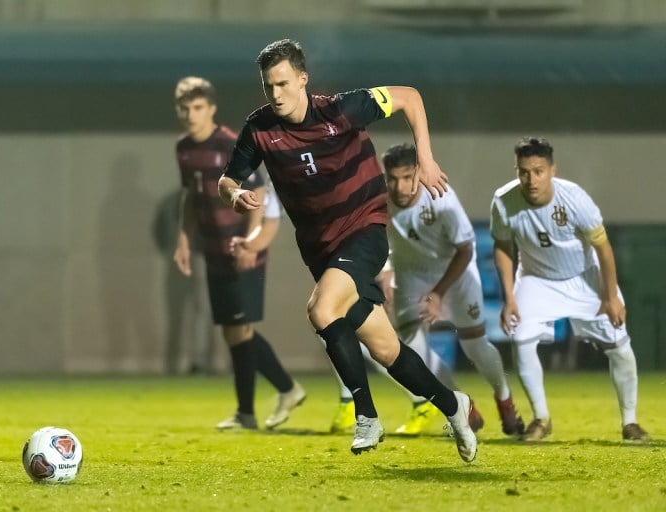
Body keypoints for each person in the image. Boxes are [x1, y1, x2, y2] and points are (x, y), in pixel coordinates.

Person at [218, 39, 477, 462]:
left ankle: (367, 415)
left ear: (303, 79)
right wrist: (232, 194)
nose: (276, 94)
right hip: (321, 251)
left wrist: (426, 160)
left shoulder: (341, 109)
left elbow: (410, 98)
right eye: (269, 87)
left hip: (365, 231)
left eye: (283, 83)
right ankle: (454, 406)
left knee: (321, 311)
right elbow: (227, 178)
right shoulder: (260, 129)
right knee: (385, 348)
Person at [332, 142, 524, 437]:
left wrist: (439, 293)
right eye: (393, 178)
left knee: (475, 346)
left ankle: (504, 398)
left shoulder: (440, 196)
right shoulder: (377, 200)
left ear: (418, 173)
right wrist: (384, 274)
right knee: (412, 352)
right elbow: (369, 240)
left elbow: (464, 249)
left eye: (407, 177)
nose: (400, 186)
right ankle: (463, 407)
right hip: (412, 277)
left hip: (456, 273)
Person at [490, 136, 650, 442]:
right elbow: (503, 247)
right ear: (517, 170)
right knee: (520, 338)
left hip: (583, 278)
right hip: (536, 279)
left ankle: (630, 422)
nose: (531, 179)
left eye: (538, 171)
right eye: (524, 171)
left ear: (552, 170)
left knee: (620, 348)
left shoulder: (575, 198)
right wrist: (509, 298)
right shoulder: (503, 200)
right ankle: (541, 418)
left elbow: (603, 249)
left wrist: (610, 296)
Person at [173, 76, 305, 430]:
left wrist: (251, 242)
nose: (190, 114)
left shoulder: (231, 144)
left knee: (240, 331)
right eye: (184, 108)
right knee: (233, 332)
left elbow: (260, 195)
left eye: (197, 107)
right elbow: (190, 196)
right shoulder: (183, 149)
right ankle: (250, 410)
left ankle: (283, 391)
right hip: (213, 251)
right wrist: (184, 240)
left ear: (211, 109)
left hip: (241, 251)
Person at [154, 187, 217, 375]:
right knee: (199, 313)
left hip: (190, 260)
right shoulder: (179, 201)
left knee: (193, 314)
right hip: (194, 259)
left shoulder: (172, 201)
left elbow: (159, 234)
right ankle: (195, 362)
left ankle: (188, 362)